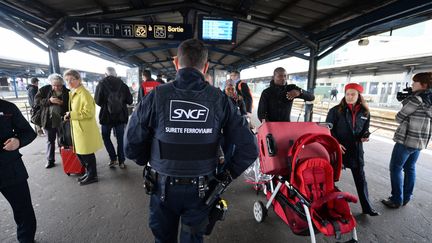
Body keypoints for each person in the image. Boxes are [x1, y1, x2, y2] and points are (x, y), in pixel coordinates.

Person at [124, 38, 258, 243]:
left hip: (162, 187)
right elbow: (249, 148)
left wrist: (149, 160)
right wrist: (225, 176)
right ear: (206, 67)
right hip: (203, 191)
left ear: (176, 63)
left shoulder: (156, 96)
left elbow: (131, 146)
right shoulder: (220, 99)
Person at [326, 83, 380, 216]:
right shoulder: (335, 110)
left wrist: (364, 137)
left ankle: (367, 207)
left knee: (361, 179)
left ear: (359, 96)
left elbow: (365, 130)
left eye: (353, 94)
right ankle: (328, 206)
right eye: (347, 94)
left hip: (356, 150)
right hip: (338, 150)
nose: (350, 97)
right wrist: (336, 143)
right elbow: (327, 129)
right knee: (330, 178)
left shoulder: (365, 112)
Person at [381, 72, 432, 208]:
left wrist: (406, 101)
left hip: (406, 141)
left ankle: (396, 199)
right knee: (410, 168)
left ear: (424, 84)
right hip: (420, 142)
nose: (412, 84)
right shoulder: (430, 100)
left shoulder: (416, 100)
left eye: (415, 82)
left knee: (395, 168)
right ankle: (406, 197)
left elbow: (399, 118)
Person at [1, 98, 37, 243]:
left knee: (23, 211)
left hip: (10, 168)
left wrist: (18, 141)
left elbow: (29, 132)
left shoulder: (7, 108)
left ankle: (26, 240)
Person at [63, 69, 103, 186]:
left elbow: (89, 113)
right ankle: (88, 173)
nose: (69, 82)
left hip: (84, 129)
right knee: (80, 153)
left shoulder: (83, 93)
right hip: (78, 128)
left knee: (87, 154)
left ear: (79, 79)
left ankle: (92, 175)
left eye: (72, 79)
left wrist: (71, 114)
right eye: (67, 80)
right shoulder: (74, 92)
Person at [95, 67, 133, 169]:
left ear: (105, 74)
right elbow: (130, 101)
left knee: (106, 137)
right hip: (120, 117)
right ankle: (122, 161)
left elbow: (98, 101)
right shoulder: (123, 85)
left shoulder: (101, 84)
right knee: (120, 139)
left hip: (106, 117)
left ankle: (113, 159)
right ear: (115, 74)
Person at [34, 74, 70, 168]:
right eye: (54, 85)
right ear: (51, 84)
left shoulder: (67, 92)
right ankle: (50, 160)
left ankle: (66, 159)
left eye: (58, 85)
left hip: (62, 121)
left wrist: (63, 103)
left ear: (62, 84)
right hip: (48, 120)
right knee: (50, 141)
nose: (56, 87)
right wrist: (49, 101)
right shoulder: (44, 90)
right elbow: (37, 102)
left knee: (63, 140)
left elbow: (71, 106)